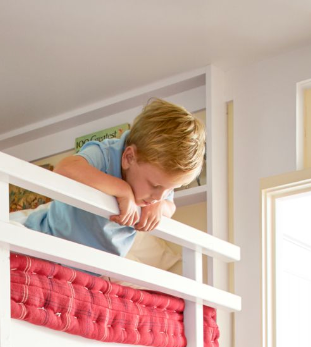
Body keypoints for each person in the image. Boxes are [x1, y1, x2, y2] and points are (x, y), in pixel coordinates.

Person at [19, 98, 205, 258]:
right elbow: (64, 169)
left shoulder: (159, 194)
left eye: (171, 189)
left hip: (94, 266)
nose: (160, 195)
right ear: (129, 157)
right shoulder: (105, 155)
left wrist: (160, 207)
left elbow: (170, 207)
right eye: (154, 185)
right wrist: (121, 190)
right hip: (49, 239)